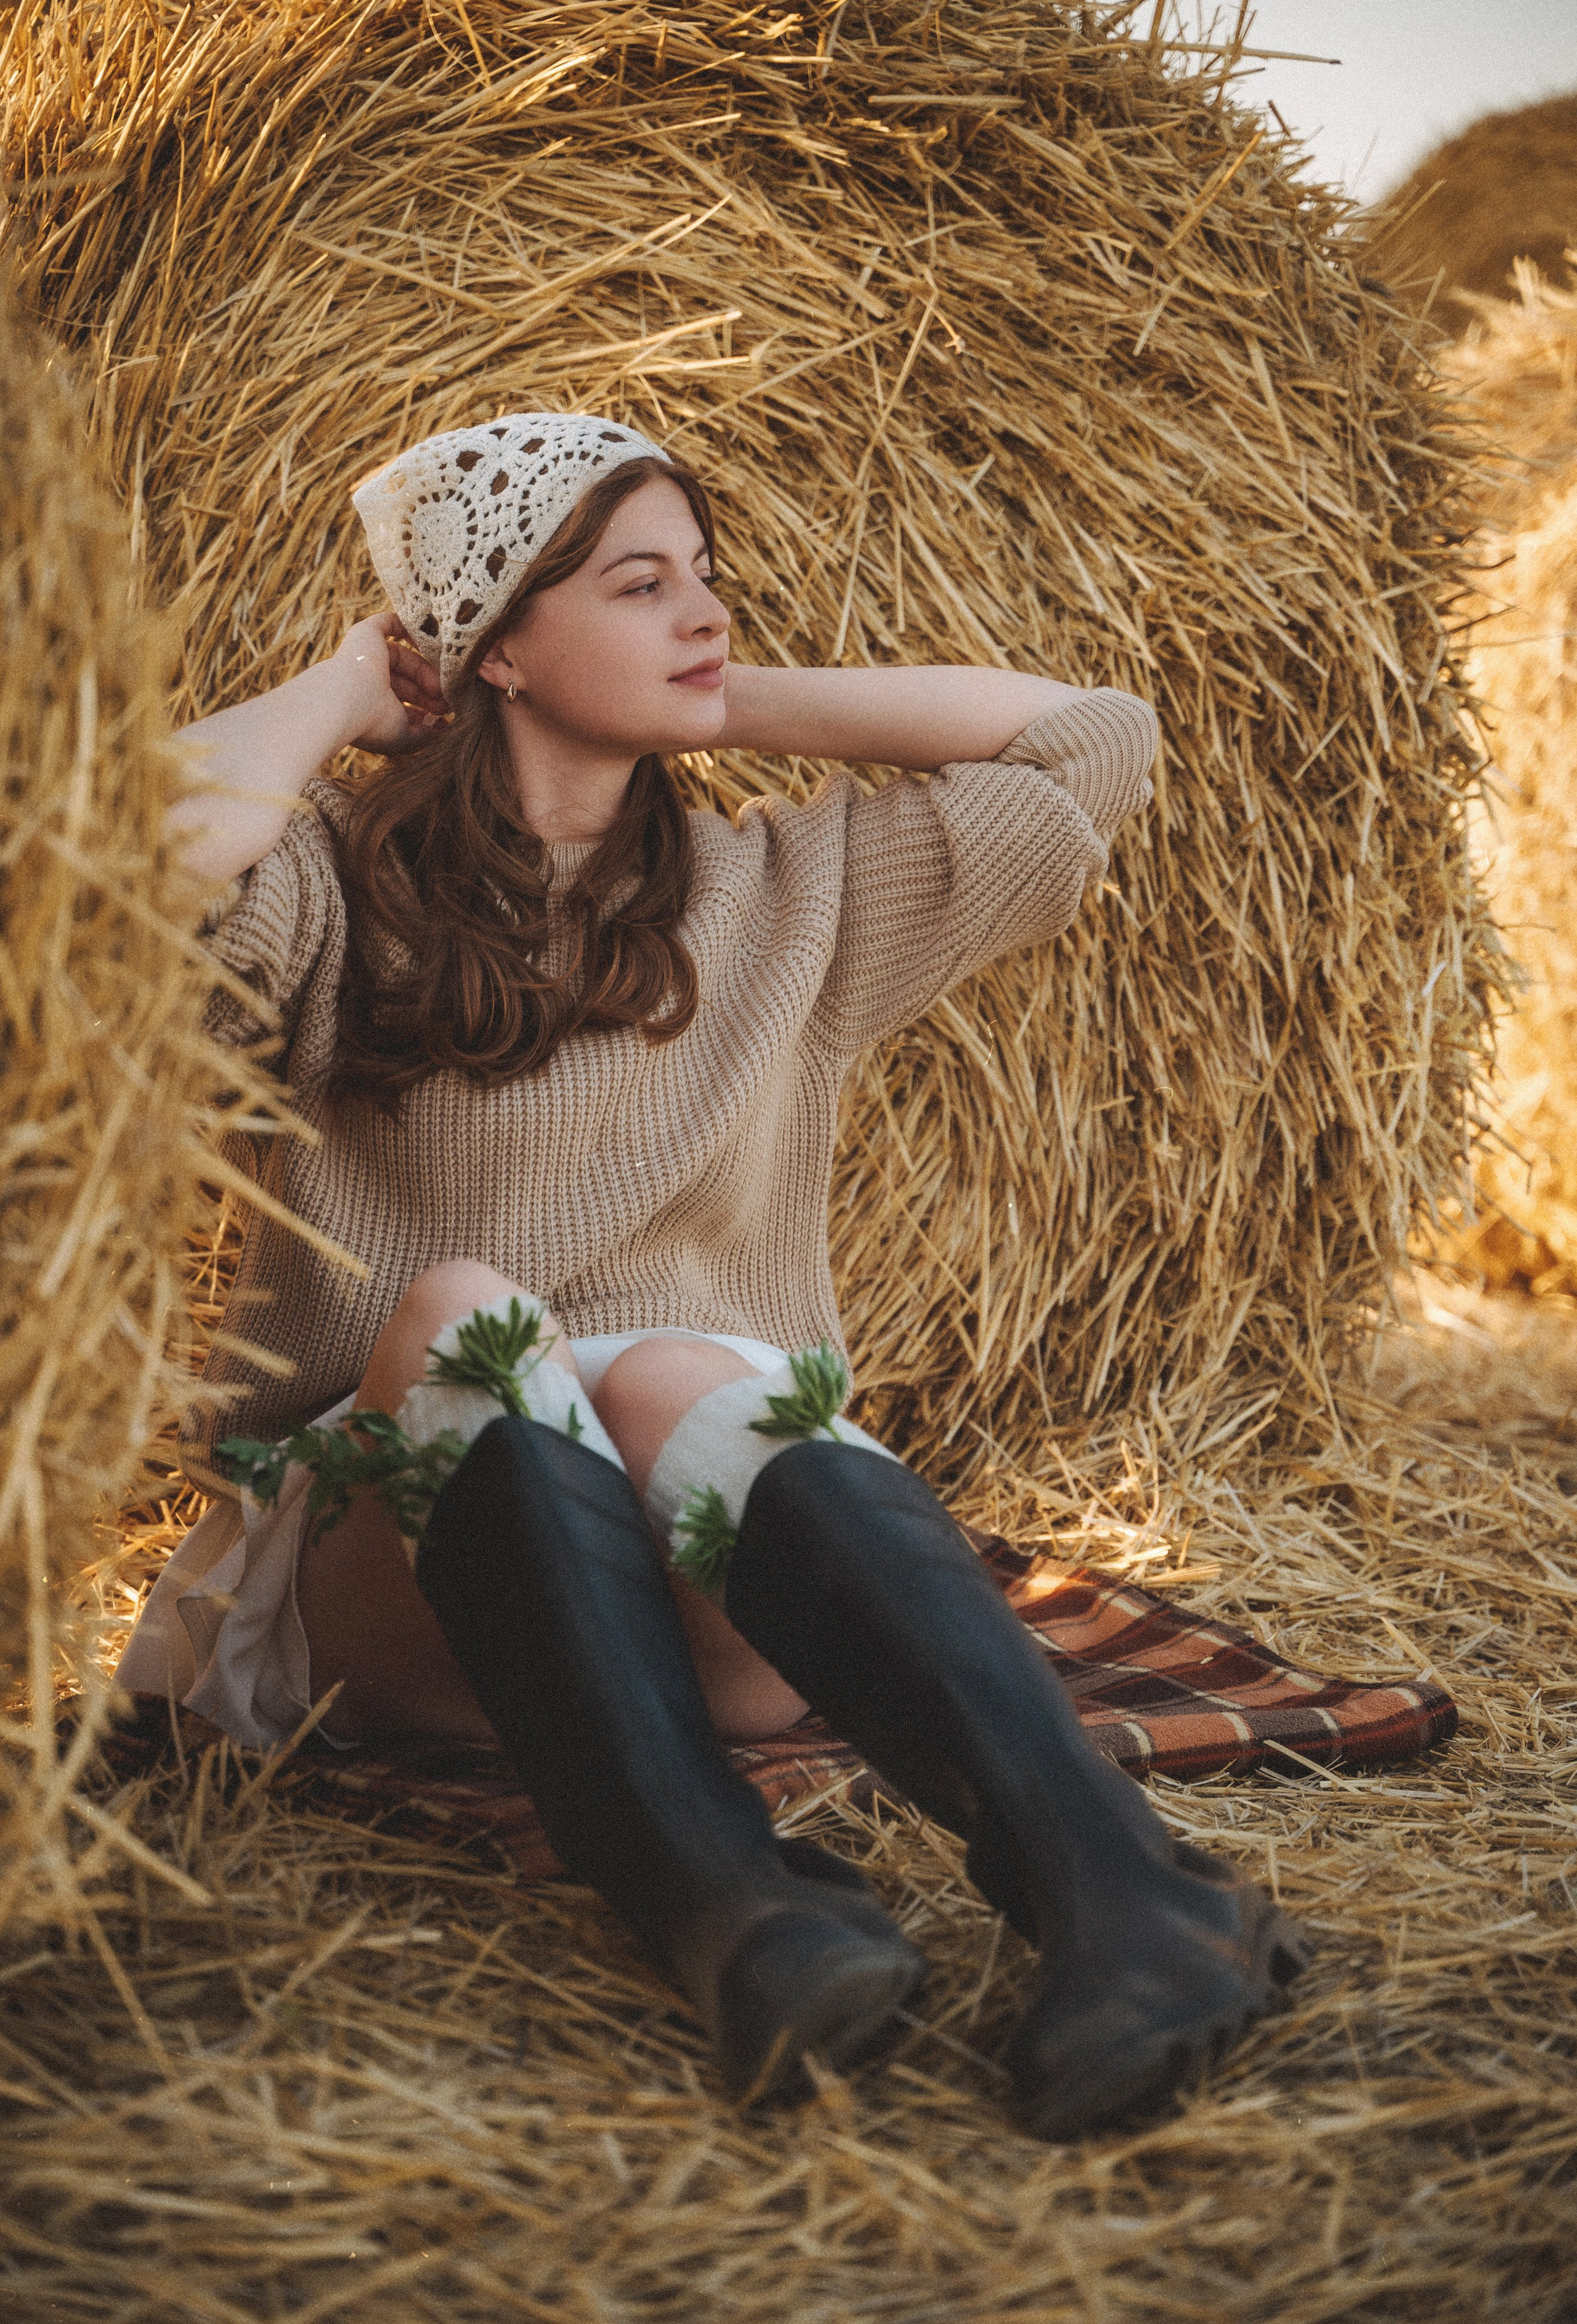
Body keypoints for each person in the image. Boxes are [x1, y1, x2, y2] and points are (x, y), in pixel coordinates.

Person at [116, 412, 1306, 2136]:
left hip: (719, 1595)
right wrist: (342, 689)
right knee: (462, 1311)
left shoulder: (783, 891)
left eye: (709, 576)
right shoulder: (326, 893)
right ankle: (729, 1900)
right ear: (499, 645)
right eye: (640, 582)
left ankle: (1136, 1901)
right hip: (411, 1585)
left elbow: (1091, 746)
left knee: (671, 1367)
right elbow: (103, 870)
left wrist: (718, 697)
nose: (708, 612)